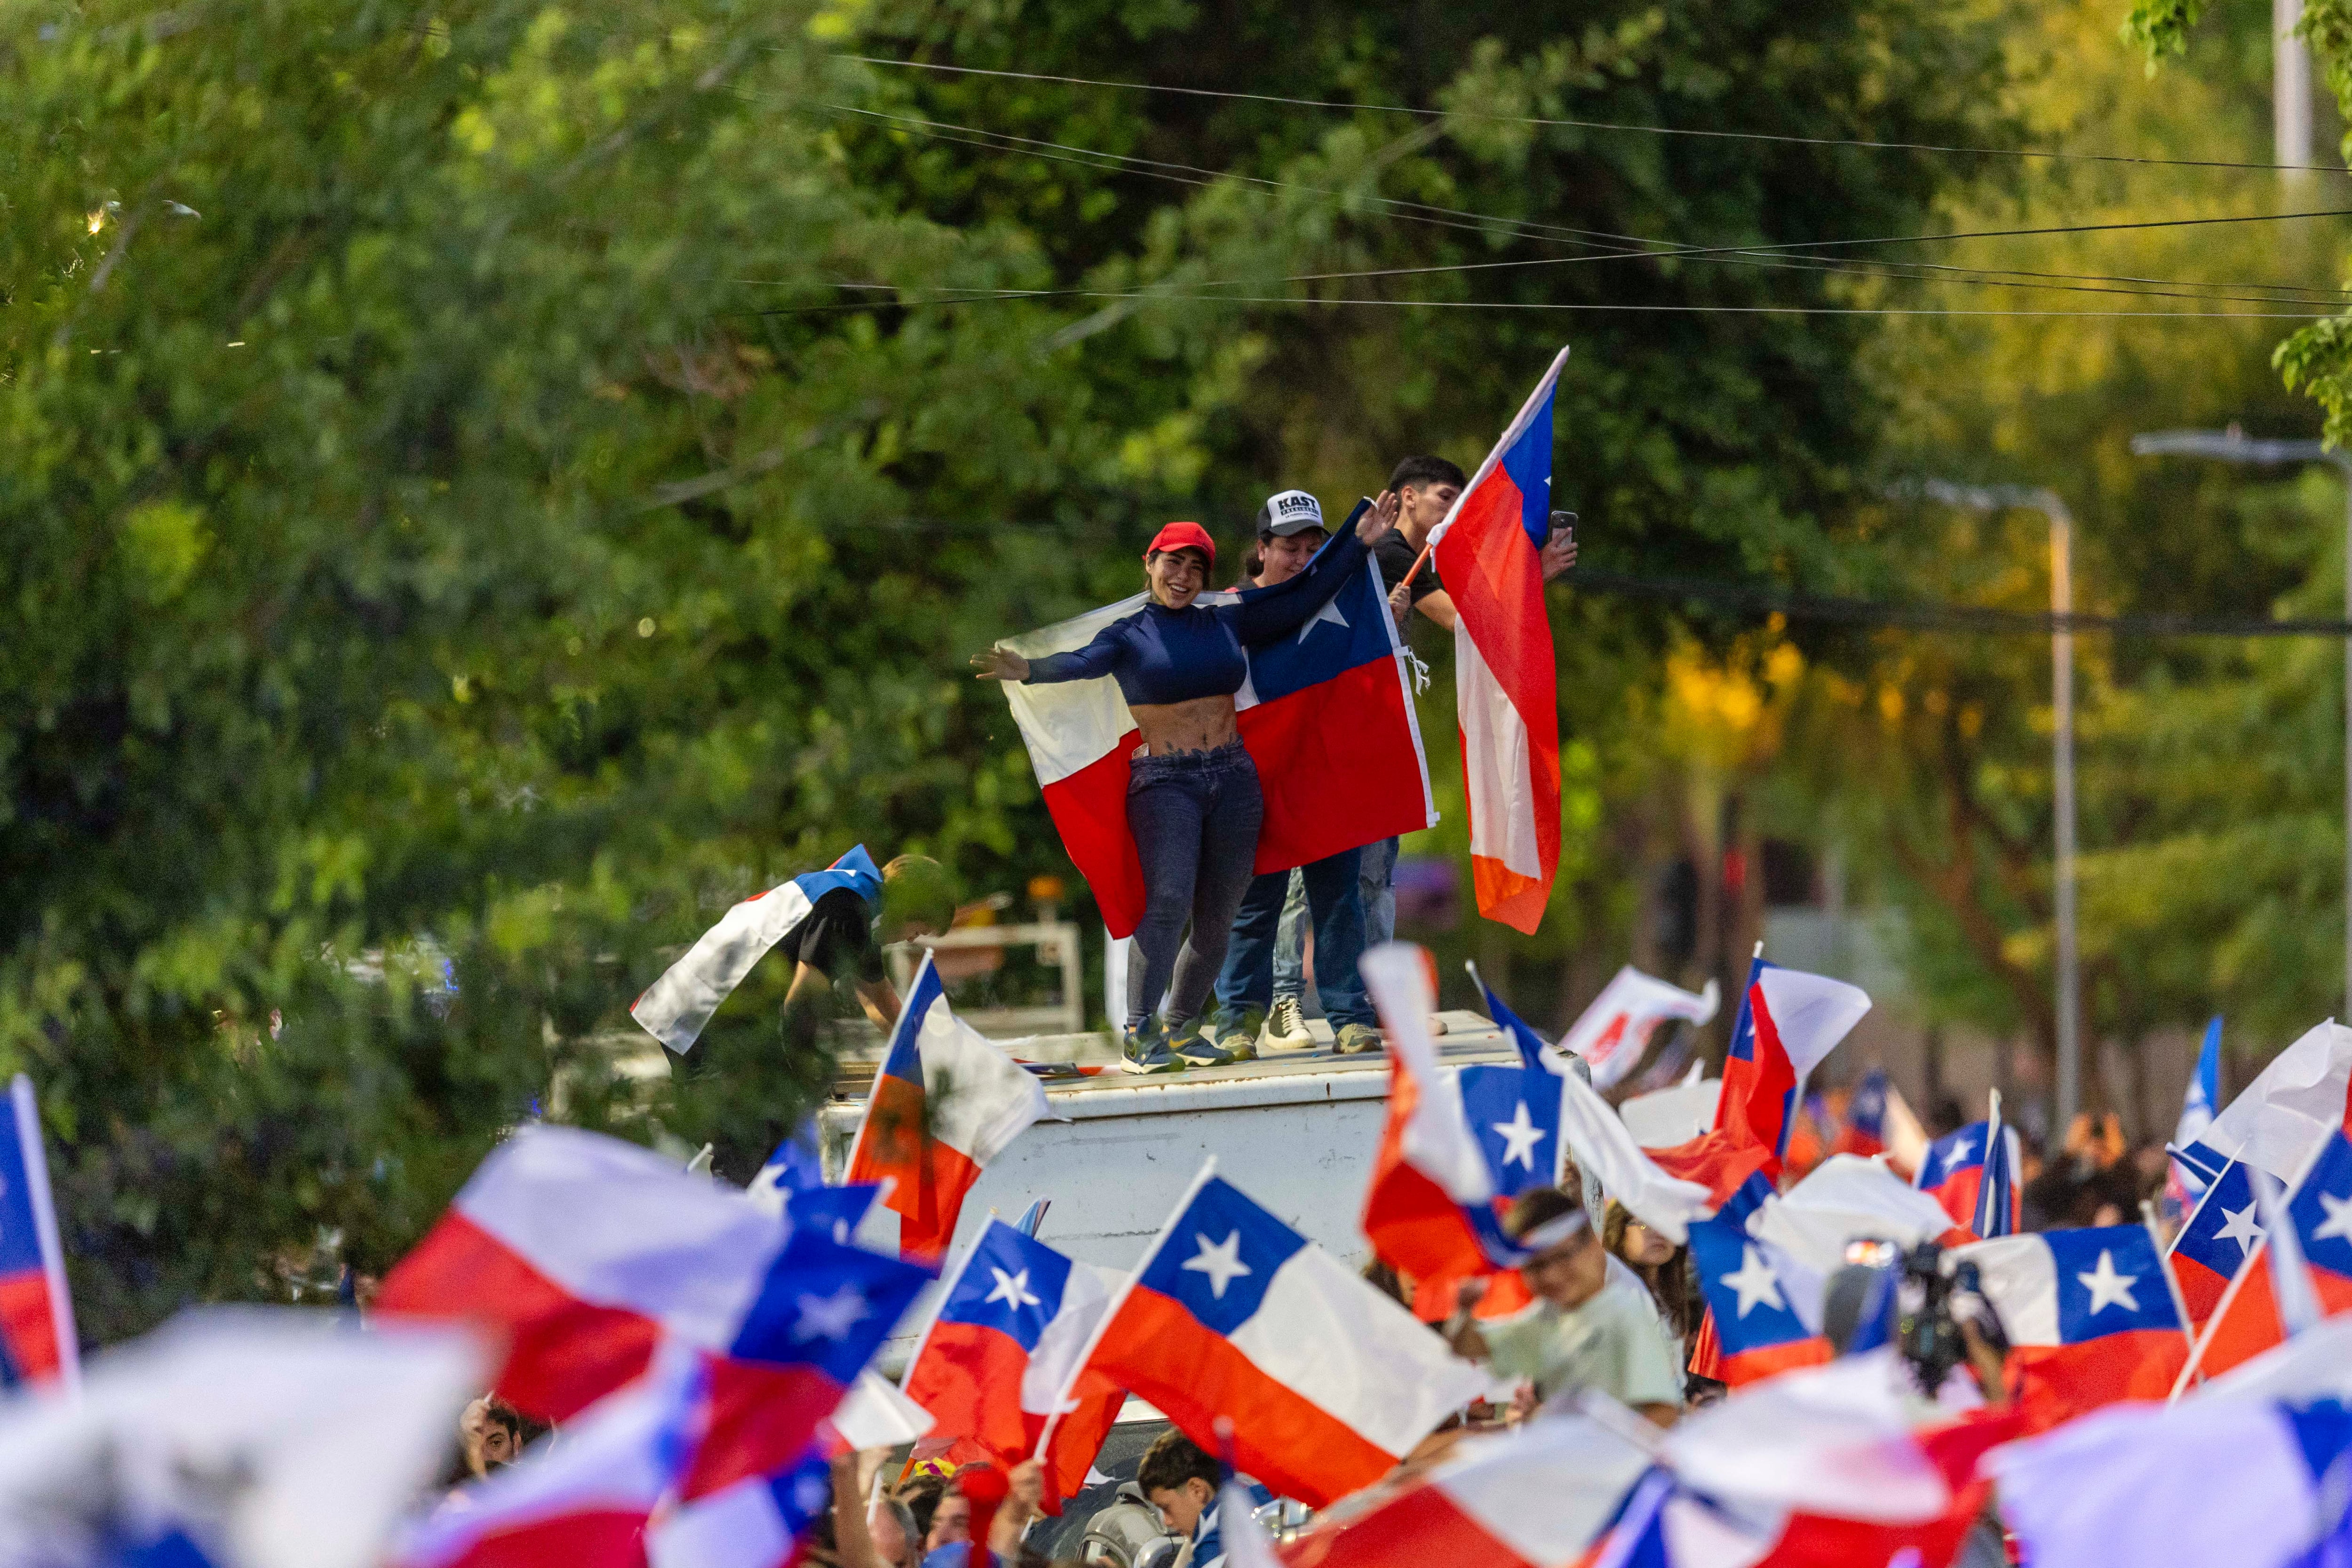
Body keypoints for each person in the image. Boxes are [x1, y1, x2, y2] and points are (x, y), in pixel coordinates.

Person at [972, 501, 1399, 1074]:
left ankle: (1181, 1028)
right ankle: (1137, 1032)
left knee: (1218, 915)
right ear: (1149, 564)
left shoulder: (1225, 617)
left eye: (1196, 569)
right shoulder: (1128, 634)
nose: (1183, 578)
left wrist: (1356, 540)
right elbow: (1082, 661)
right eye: (1173, 564)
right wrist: (1030, 670)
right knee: (1168, 902)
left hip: (1232, 777)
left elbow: (1300, 598)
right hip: (1164, 784)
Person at [1197, 489, 1383, 1059]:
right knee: (1253, 907)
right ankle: (1237, 1024)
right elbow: (1286, 610)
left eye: (1312, 547)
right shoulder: (1228, 607)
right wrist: (1351, 546)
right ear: (1260, 549)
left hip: (1322, 773)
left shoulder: (1340, 595)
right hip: (1252, 780)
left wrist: (1378, 595)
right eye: (1288, 548)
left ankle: (1349, 1016)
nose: (1301, 559)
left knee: (1338, 899)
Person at [1364, 455, 1577, 947]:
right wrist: (1531, 575)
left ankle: (1368, 1002)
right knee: (1347, 878)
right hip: (1346, 729)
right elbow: (1464, 621)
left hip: (1380, 728)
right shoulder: (1390, 553)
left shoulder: (1412, 559)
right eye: (1446, 498)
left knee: (1375, 874)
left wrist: (1529, 578)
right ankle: (1321, 998)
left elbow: (1475, 620)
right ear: (1407, 498)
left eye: (1461, 501)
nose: (1455, 510)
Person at [1443, 1187, 1682, 1427]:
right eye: (1536, 1266)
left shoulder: (1624, 1312)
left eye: (1563, 1257)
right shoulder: (1544, 1321)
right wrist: (1466, 1309)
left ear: (1591, 1247)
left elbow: (1662, 1414)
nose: (1552, 1276)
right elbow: (1468, 1347)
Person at [779, 851, 959, 1034]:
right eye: (917, 931)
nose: (911, 939)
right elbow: (800, 1004)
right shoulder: (847, 905)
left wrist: (918, 1047)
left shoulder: (862, 897)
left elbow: (879, 999)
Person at [1602, 1200, 1699, 1384]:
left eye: (1668, 1224)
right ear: (1619, 1231)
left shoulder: (1673, 1299)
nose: (1660, 1233)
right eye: (1645, 1223)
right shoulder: (1606, 1286)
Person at [1136, 1431, 1264, 1568]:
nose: (1167, 1522)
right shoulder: (1261, 1500)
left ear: (1197, 1490)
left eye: (1167, 1508)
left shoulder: (1218, 1545)